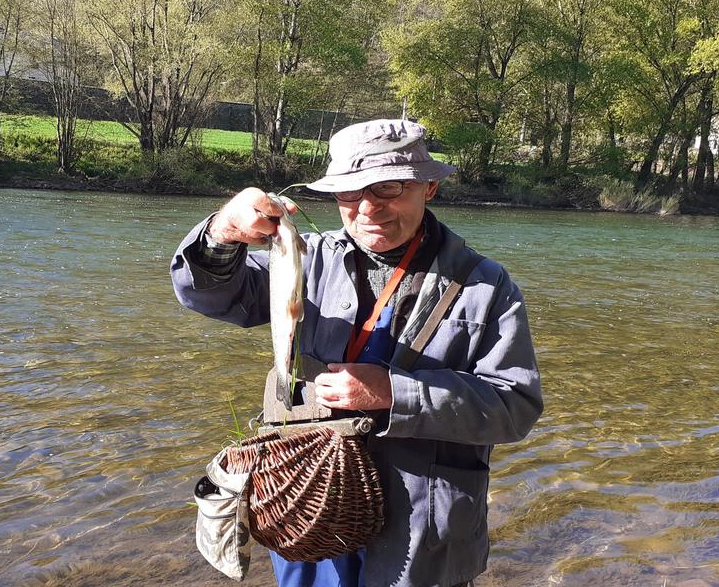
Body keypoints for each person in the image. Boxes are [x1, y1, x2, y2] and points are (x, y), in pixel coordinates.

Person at [170, 119, 543, 587]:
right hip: (310, 509)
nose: (368, 208)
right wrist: (223, 233)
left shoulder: (487, 287)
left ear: (428, 187)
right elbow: (218, 295)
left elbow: (515, 405)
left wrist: (392, 392)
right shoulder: (306, 255)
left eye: (387, 187)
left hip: (423, 531)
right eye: (348, 193)